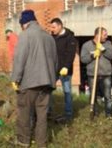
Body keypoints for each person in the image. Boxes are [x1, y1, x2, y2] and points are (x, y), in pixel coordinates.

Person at [11, 10, 58, 148]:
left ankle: (23, 141)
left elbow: (20, 59)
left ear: (24, 24)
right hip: (47, 83)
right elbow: (55, 61)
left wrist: (15, 78)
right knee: (42, 117)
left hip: (29, 83)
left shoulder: (25, 35)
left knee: (24, 113)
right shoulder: (49, 37)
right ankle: (41, 143)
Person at [81, 27, 112, 118]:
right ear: (97, 35)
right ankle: (94, 113)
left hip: (106, 74)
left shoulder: (108, 44)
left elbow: (111, 56)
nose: (106, 37)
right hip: (92, 75)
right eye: (104, 35)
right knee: (93, 96)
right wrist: (92, 56)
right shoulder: (86, 45)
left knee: (107, 96)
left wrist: (104, 50)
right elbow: (83, 59)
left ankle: (109, 114)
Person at [50, 18, 77, 121]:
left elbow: (71, 54)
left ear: (60, 26)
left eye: (54, 27)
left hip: (66, 70)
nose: (52, 29)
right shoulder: (53, 37)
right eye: (51, 27)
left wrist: (66, 66)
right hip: (54, 69)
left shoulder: (70, 37)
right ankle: (49, 111)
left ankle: (68, 114)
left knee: (67, 91)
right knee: (49, 90)